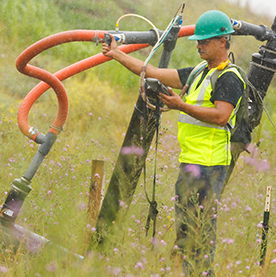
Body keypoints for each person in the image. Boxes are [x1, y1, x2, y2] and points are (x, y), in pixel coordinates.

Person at [102, 10, 244, 276]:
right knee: (186, 236)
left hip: (210, 167)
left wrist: (181, 105)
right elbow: (152, 71)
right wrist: (116, 53)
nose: (199, 44)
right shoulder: (199, 72)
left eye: (206, 40)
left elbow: (222, 116)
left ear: (224, 40)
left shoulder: (230, 77)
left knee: (198, 239)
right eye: (198, 40)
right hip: (191, 163)